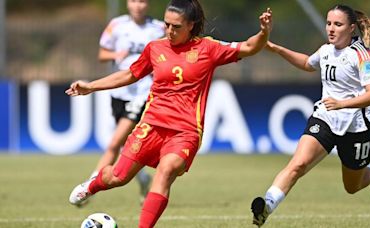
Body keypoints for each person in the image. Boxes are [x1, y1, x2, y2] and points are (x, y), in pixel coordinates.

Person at [66, 0, 273, 227]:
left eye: (176, 27)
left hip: (185, 132)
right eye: (167, 25)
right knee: (118, 176)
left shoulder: (208, 48)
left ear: (191, 25)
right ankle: (92, 185)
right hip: (151, 125)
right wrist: (91, 87)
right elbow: (129, 75)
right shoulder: (155, 48)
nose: (170, 31)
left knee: (165, 171)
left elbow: (249, 47)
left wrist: (263, 33)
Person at [251, 5, 370, 227]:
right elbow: (306, 63)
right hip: (326, 119)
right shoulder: (326, 50)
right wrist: (275, 48)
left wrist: (342, 104)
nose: (331, 29)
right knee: (297, 165)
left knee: (352, 186)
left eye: (338, 25)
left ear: (352, 28)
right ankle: (267, 205)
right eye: (329, 23)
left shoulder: (361, 55)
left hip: (357, 128)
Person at [88, 0, 165, 205]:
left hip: (143, 92)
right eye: (133, 0)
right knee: (124, 144)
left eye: (142, 1)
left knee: (114, 142)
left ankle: (89, 186)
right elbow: (102, 54)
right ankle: (142, 178)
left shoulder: (159, 28)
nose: (138, 5)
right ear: (127, 3)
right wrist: (115, 54)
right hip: (119, 91)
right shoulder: (116, 25)